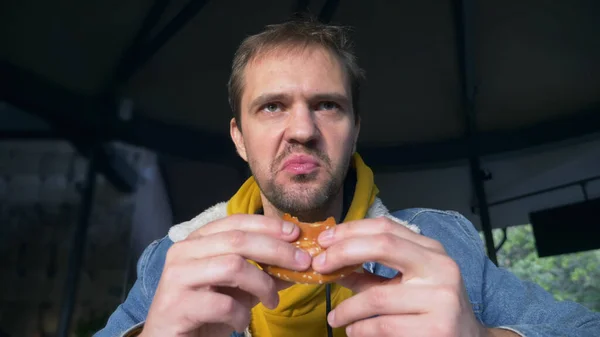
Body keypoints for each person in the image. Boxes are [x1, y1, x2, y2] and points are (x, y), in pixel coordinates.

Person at [95, 18, 600, 337]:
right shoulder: (172, 258)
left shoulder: (441, 243)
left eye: (327, 106)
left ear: (354, 130)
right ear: (239, 138)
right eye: (272, 107)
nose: (302, 130)